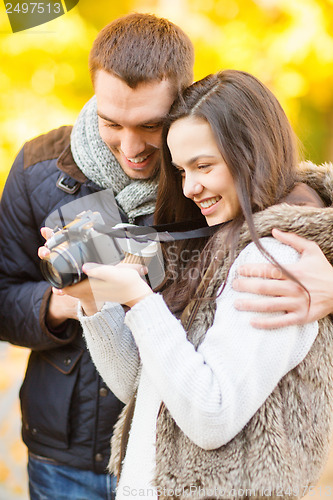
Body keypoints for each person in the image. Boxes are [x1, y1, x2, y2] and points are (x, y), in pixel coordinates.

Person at [60, 70, 333, 499]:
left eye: (204, 166)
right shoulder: (218, 244)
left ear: (252, 154)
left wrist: (140, 299)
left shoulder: (276, 259)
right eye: (181, 170)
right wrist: (99, 303)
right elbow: (142, 388)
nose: (190, 188)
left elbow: (211, 417)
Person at [0, 13, 194, 500]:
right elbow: (3, 296)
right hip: (66, 457)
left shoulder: (212, 176)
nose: (131, 147)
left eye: (151, 125)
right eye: (112, 123)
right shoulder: (34, 168)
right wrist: (69, 303)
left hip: (175, 452)